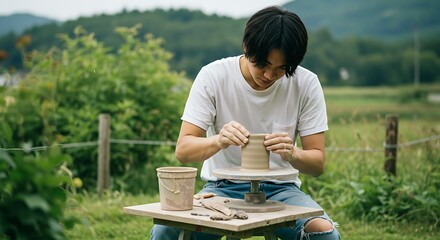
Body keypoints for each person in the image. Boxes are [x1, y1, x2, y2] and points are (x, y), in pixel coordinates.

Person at [150, 5, 340, 240]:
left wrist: (293, 153)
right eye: (263, 65)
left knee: (324, 234)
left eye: (282, 69)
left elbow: (317, 164)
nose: (270, 76)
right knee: (165, 231)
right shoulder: (213, 76)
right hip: (221, 188)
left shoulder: (306, 83)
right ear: (247, 47)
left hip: (281, 189)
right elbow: (184, 150)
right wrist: (219, 140)